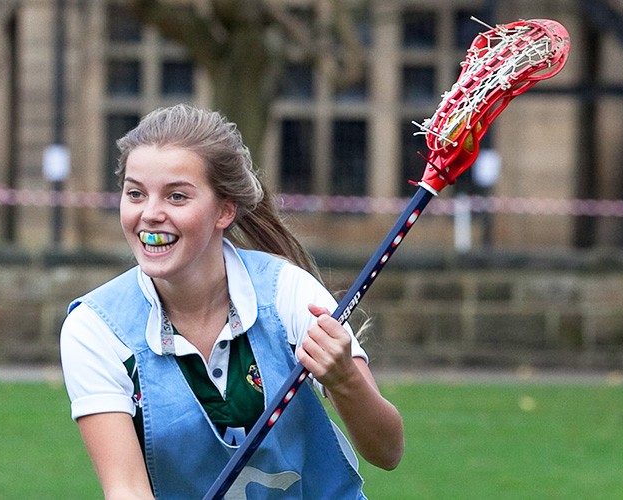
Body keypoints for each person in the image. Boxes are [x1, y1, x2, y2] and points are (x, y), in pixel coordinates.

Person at [61, 104, 404, 499]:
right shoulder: (95, 328)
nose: (150, 214)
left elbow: (388, 451)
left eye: (176, 196)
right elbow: (127, 490)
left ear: (224, 209)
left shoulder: (288, 292)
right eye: (135, 193)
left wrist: (344, 381)